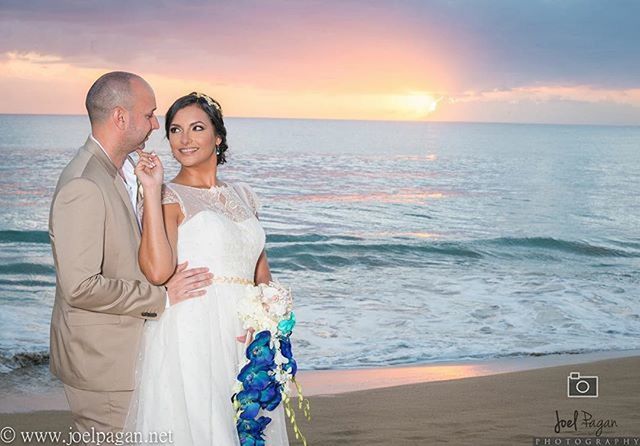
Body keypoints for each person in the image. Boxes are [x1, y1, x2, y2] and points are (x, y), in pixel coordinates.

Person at [49, 72, 213, 436]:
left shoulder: (121, 170)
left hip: (126, 355)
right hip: (103, 364)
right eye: (149, 114)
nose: (156, 124)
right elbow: (81, 286)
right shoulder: (84, 183)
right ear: (121, 117)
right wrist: (163, 297)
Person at [124, 92, 289, 445]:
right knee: (205, 427)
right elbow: (156, 271)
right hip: (194, 328)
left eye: (197, 128)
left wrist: (268, 319)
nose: (184, 139)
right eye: (174, 130)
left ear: (217, 136)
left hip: (246, 334)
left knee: (249, 425)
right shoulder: (168, 196)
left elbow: (260, 269)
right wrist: (151, 191)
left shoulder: (244, 194)